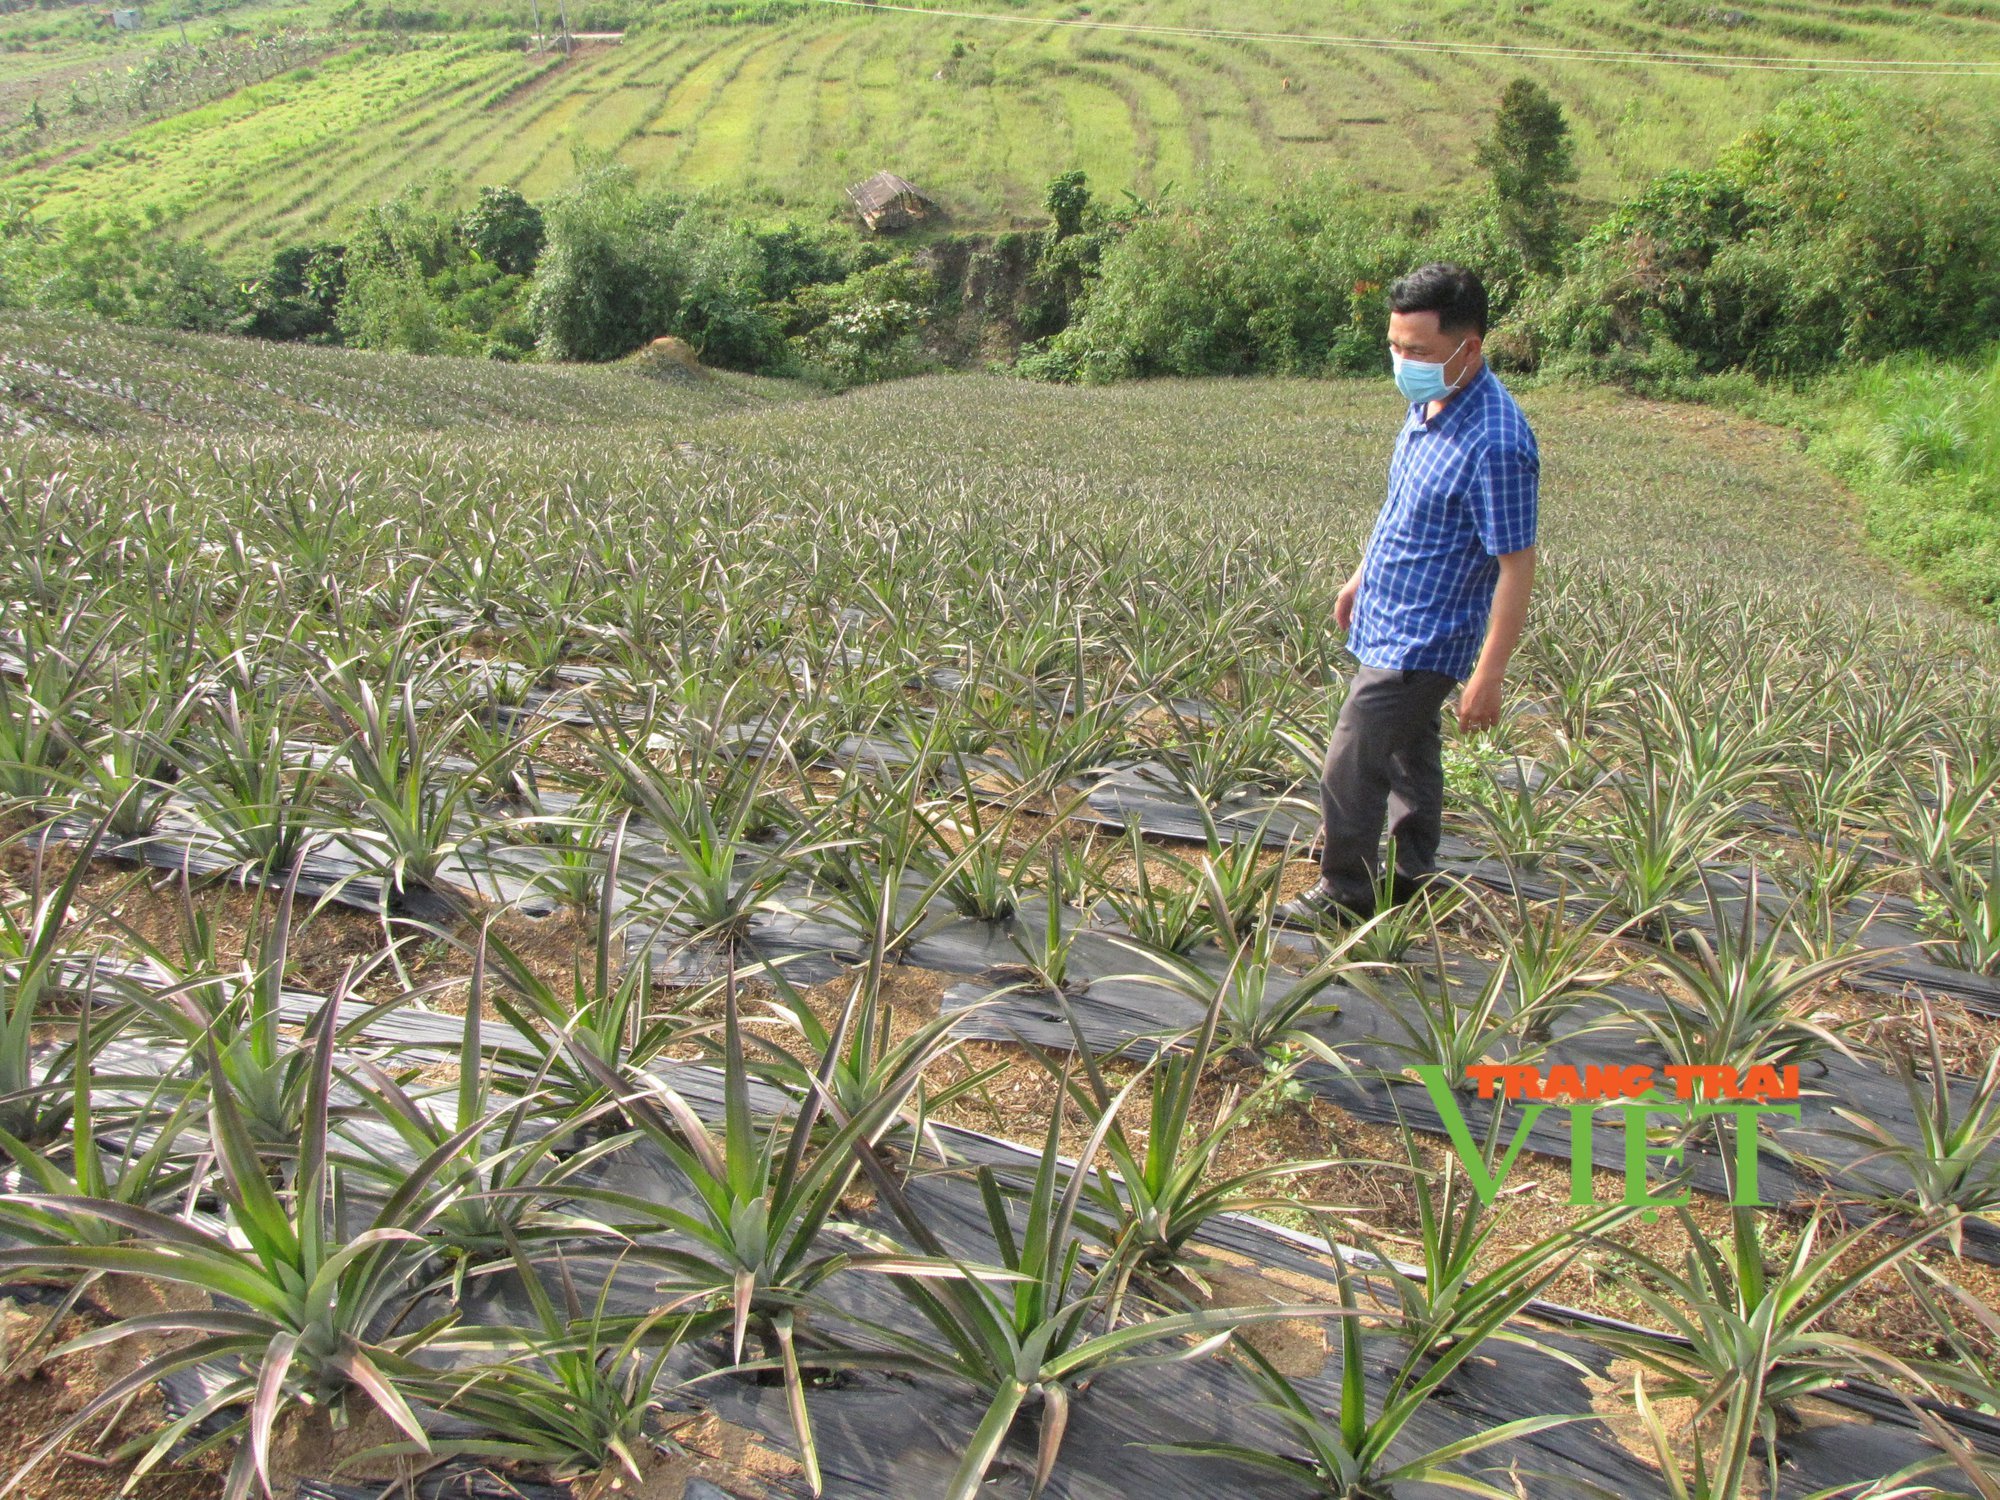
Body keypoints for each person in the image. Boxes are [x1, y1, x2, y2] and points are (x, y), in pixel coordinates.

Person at [1274, 263, 1538, 928]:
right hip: (1388, 609)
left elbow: (1517, 563)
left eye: (1416, 350)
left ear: (1468, 346)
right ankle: (1410, 868)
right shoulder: (1429, 401)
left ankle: (1346, 888)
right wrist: (1362, 575)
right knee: (1409, 750)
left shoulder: (1498, 442)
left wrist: (1490, 672)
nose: (1402, 362)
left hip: (1430, 634)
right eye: (1395, 346)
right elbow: (1403, 506)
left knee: (1352, 752)